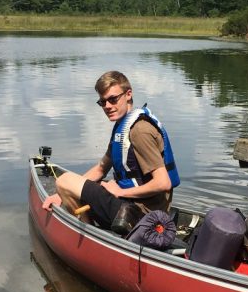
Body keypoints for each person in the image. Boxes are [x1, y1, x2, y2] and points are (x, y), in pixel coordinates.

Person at [41, 70, 179, 229]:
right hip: (132, 205)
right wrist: (62, 195)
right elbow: (101, 169)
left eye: (113, 99)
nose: (107, 106)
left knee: (64, 180)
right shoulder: (123, 127)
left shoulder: (140, 131)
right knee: (81, 185)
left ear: (128, 94)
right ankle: (90, 228)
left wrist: (120, 192)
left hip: (142, 215)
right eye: (103, 102)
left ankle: (89, 233)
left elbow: (163, 183)